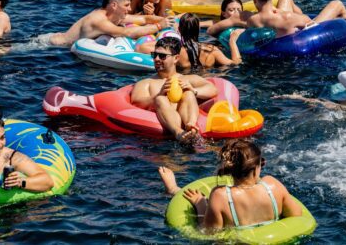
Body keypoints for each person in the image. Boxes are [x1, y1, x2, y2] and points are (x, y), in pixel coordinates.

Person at [158, 139, 303, 230]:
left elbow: (208, 234)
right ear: (257, 166)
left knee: (195, 198)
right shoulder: (273, 185)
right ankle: (173, 189)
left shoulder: (220, 196)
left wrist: (200, 204)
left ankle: (172, 188)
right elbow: (297, 217)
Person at [129, 36, 218, 142]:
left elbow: (212, 89)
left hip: (187, 117)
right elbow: (136, 102)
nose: (156, 59)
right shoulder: (146, 83)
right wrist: (157, 96)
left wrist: (194, 91)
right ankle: (178, 132)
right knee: (160, 99)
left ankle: (191, 126)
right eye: (154, 55)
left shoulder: (186, 79)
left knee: (188, 93)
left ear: (176, 58)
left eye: (162, 56)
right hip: (164, 135)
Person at [48, 0, 158, 47]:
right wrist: (158, 26)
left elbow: (144, 19)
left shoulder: (115, 15)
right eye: (126, 5)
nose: (129, 9)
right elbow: (127, 32)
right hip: (52, 45)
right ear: (114, 5)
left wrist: (165, 20)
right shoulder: (99, 20)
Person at [247, 0, 346, 38]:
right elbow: (309, 23)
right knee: (337, 4)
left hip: (278, 29)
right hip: (304, 32)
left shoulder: (252, 20)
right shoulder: (287, 17)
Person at [177, 13, 242, 68]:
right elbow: (235, 63)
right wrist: (232, 41)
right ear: (199, 29)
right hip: (208, 79)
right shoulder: (211, 50)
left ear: (179, 29)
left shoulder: (174, 52)